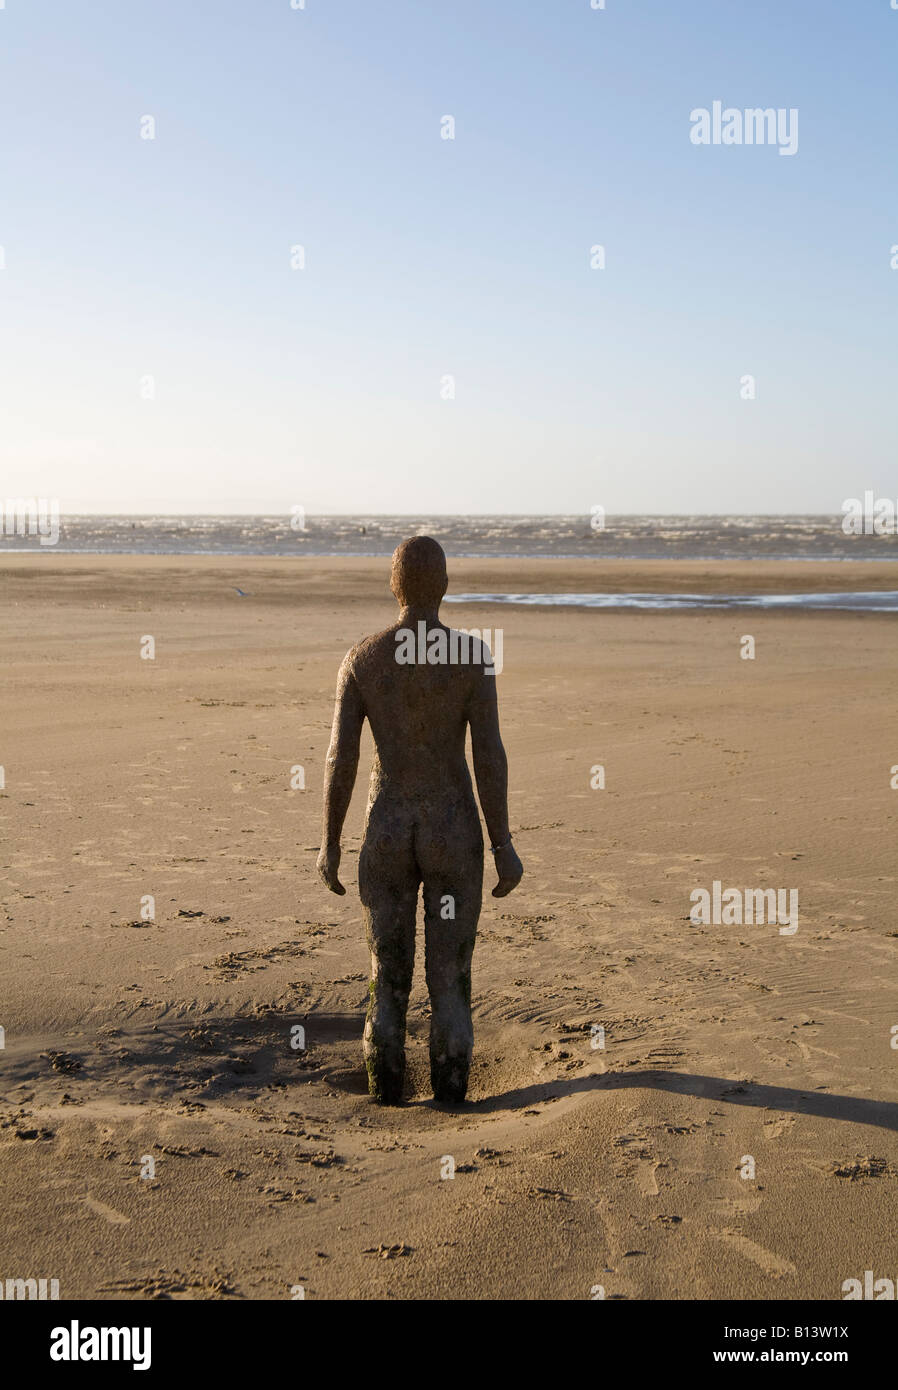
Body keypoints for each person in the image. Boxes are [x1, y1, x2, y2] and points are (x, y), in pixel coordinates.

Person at [317, 536, 523, 1104]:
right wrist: (502, 842)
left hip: (387, 828)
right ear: (446, 586)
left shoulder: (363, 658)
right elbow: (489, 757)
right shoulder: (472, 658)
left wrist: (330, 842)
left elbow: (341, 758)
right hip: (452, 830)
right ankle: (451, 1097)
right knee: (450, 980)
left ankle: (387, 1094)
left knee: (387, 980)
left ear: (394, 584)